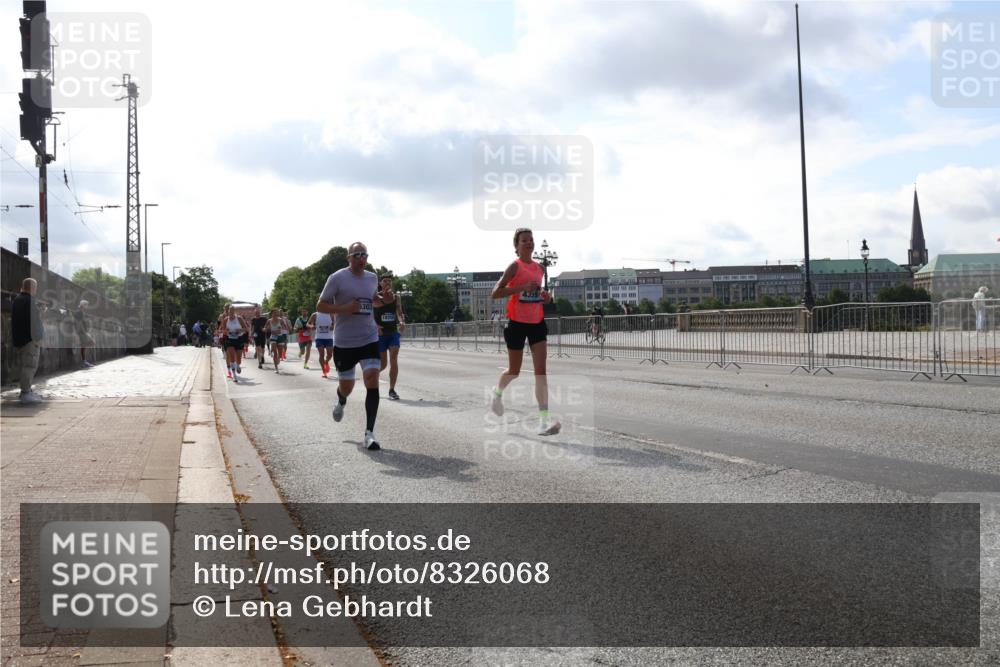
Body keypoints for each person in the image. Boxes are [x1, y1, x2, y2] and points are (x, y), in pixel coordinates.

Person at [489, 228, 560, 435]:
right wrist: (519, 288)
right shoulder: (514, 266)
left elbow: (537, 293)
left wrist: (545, 297)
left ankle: (543, 422)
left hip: (537, 322)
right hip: (517, 323)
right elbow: (495, 293)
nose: (529, 243)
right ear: (517, 246)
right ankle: (497, 394)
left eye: (531, 240)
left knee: (541, 373)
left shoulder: (539, 268)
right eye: (524, 240)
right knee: (514, 371)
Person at [317, 241, 384, 450]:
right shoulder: (337, 278)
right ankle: (341, 400)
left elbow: (374, 300)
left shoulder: (372, 278)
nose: (362, 258)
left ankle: (369, 434)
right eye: (357, 254)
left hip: (368, 337)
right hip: (345, 341)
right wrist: (346, 307)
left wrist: (384, 299)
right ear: (349, 258)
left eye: (365, 254)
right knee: (347, 386)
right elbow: (320, 305)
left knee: (372, 377)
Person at [12, 278, 44, 404]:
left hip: (21, 338)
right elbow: (34, 322)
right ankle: (25, 393)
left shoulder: (18, 299)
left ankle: (27, 391)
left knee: (27, 365)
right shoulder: (30, 301)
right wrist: (38, 338)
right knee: (29, 365)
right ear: (32, 288)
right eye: (35, 287)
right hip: (29, 339)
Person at [375, 275, 405, 400]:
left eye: (390, 281)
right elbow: (369, 314)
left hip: (392, 333)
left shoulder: (396, 297)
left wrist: (402, 321)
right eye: (385, 281)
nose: (387, 283)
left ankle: (392, 389)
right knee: (383, 364)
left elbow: (398, 311)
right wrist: (375, 325)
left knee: (394, 359)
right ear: (380, 283)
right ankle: (371, 377)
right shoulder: (376, 296)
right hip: (380, 334)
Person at [221, 305, 249, 381]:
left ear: (234, 311)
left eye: (232, 311)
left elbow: (246, 329)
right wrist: (226, 331)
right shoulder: (226, 319)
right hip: (230, 339)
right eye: (230, 311)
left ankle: (237, 365)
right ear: (228, 312)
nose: (231, 313)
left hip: (239, 339)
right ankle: (234, 375)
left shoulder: (239, 318)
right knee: (232, 357)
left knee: (238, 359)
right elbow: (222, 330)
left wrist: (240, 330)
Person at [308, 309, 335, 378]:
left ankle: (326, 362)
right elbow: (308, 324)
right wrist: (312, 326)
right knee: (321, 354)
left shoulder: (331, 314)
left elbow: (335, 323)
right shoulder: (315, 315)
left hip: (329, 338)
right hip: (319, 338)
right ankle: (324, 371)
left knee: (330, 354)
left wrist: (333, 326)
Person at [264, 308, 289, 373]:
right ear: (272, 314)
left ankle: (278, 359)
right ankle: (276, 368)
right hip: (273, 337)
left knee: (280, 354)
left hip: (280, 337)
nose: (276, 314)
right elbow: (265, 327)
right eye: (275, 312)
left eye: (277, 313)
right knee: (275, 352)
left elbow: (285, 327)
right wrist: (265, 329)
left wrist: (282, 328)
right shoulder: (269, 320)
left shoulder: (280, 320)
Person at [74, 300, 95, 368]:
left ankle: (84, 361)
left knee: (85, 346)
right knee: (89, 343)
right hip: (81, 332)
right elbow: (79, 323)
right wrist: (84, 332)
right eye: (86, 305)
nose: (87, 306)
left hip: (82, 332)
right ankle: (83, 362)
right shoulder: (79, 312)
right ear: (83, 305)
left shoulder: (81, 311)